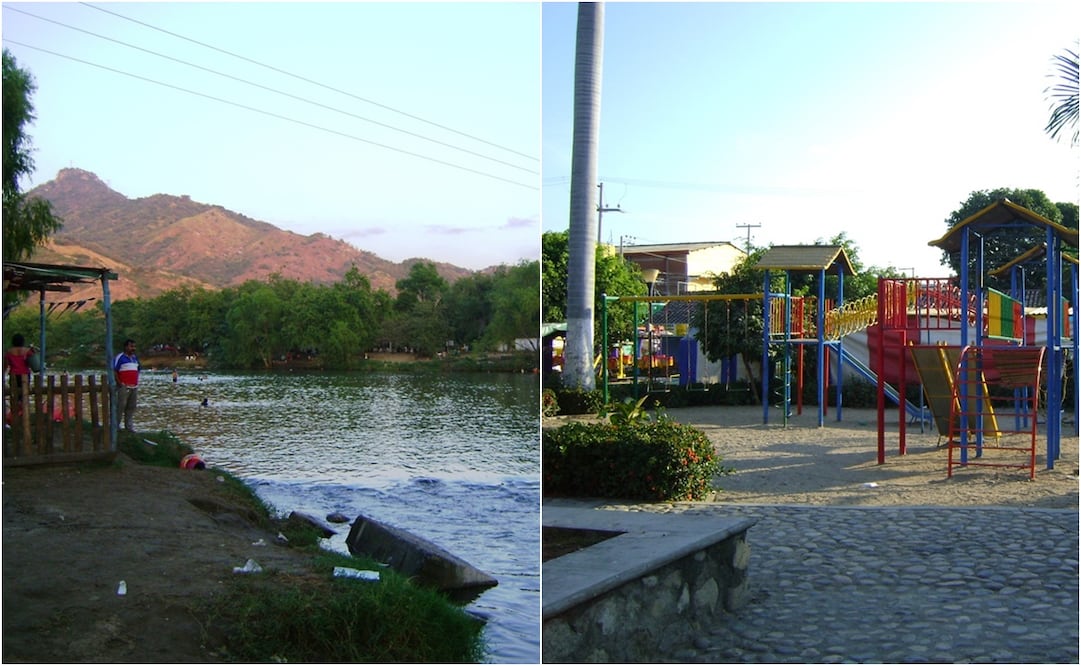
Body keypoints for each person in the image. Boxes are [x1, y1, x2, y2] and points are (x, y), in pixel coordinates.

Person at [4, 334, 36, 419]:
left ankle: (15, 414)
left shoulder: (9, 352)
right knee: (24, 395)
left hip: (14, 375)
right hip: (25, 375)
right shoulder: (27, 351)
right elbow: (33, 363)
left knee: (14, 395)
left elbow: (6, 365)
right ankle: (23, 413)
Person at [113, 339, 141, 432]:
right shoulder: (120, 357)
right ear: (126, 347)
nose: (133, 348)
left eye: (134, 346)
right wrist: (120, 383)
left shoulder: (134, 358)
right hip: (124, 386)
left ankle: (129, 427)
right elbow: (114, 371)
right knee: (121, 406)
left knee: (131, 407)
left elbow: (137, 370)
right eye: (131, 346)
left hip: (134, 386)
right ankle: (115, 426)